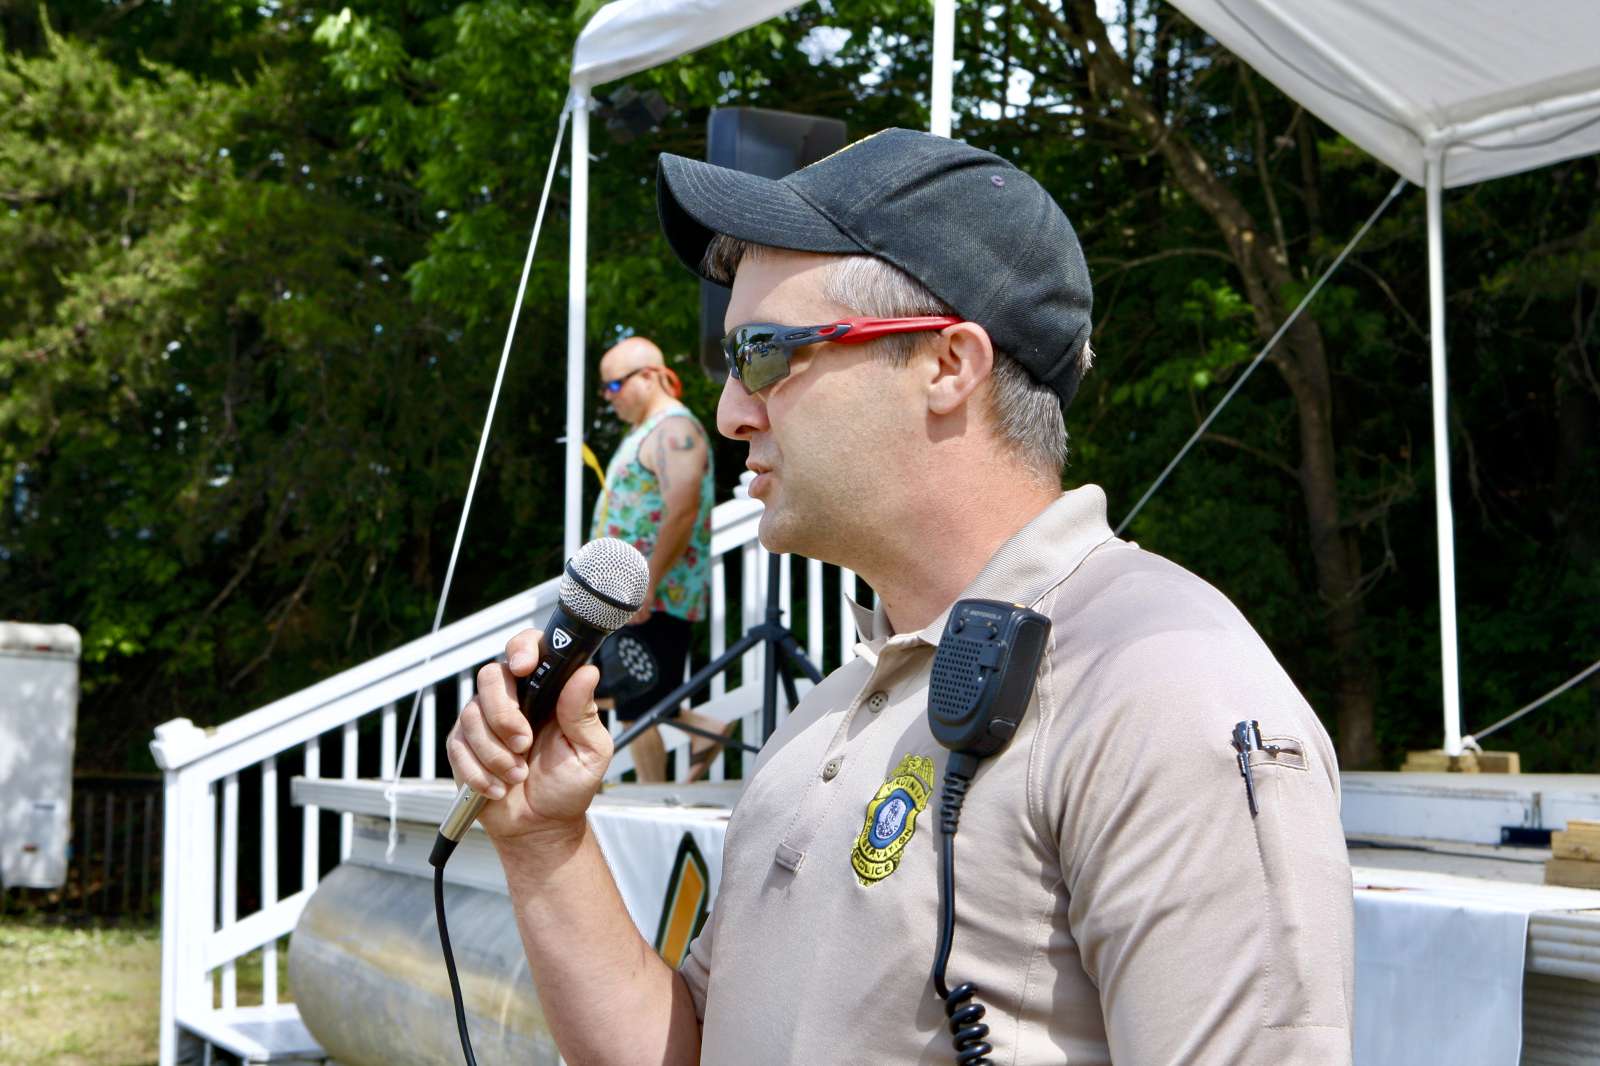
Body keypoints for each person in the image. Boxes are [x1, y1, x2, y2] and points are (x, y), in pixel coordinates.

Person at [448, 129, 1354, 1064]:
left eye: (763, 354)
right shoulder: (830, 709)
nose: (730, 413)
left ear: (948, 366)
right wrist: (545, 841)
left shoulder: (1165, 685)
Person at [591, 335, 725, 782]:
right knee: (618, 691)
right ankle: (706, 730)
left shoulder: (674, 431)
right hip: (628, 594)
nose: (608, 397)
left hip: (656, 593)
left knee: (638, 702)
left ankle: (653, 794)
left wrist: (646, 584)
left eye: (613, 386)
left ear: (648, 376)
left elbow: (682, 508)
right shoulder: (647, 431)